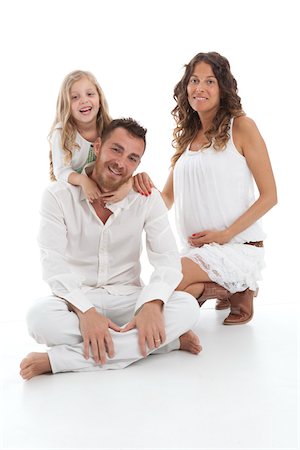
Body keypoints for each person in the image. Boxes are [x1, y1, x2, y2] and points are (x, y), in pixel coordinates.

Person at [20, 118, 201, 380]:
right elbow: (53, 264)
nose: (121, 163)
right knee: (38, 319)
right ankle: (164, 343)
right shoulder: (58, 196)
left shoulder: (146, 198)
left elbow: (168, 262)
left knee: (187, 307)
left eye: (132, 158)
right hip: (77, 300)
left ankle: (59, 360)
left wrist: (152, 303)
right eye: (116, 150)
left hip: (129, 299)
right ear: (98, 145)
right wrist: (86, 312)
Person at [134, 52, 277, 325]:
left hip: (238, 247)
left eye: (210, 81)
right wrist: (138, 185)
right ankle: (233, 289)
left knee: (165, 283)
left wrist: (225, 235)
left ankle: (240, 282)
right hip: (198, 252)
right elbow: (165, 199)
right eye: (194, 80)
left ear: (223, 89)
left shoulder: (242, 127)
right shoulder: (188, 139)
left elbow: (270, 196)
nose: (199, 88)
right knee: (178, 299)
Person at [49, 70, 131, 204]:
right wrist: (84, 181)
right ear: (66, 105)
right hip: (73, 196)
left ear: (99, 99)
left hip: (102, 195)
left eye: (90, 94)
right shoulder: (61, 133)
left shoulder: (110, 129)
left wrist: (127, 185)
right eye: (75, 97)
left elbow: (125, 161)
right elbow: (61, 172)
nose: (84, 100)